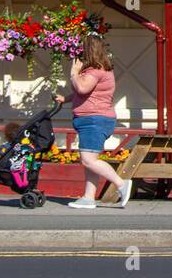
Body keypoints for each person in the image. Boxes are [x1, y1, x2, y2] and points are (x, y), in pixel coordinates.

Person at [53, 34, 132, 209]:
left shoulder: (95, 71)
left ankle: (121, 184)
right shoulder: (101, 70)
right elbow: (85, 93)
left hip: (94, 119)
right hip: (94, 119)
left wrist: (73, 73)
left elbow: (81, 88)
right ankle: (88, 198)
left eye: (81, 49)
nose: (78, 53)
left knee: (88, 160)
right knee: (91, 161)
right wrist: (64, 99)